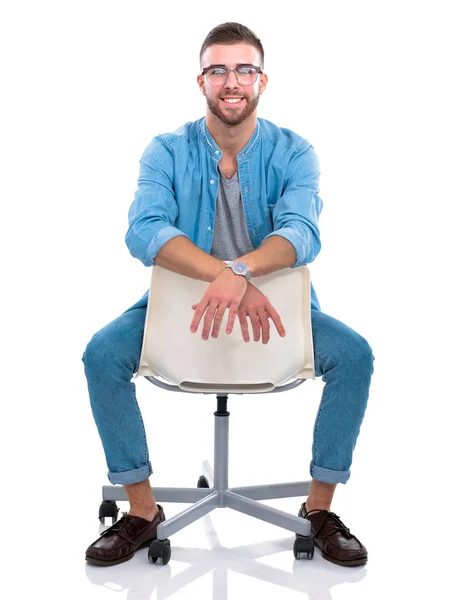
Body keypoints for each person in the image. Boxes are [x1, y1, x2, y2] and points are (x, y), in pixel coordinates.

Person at [82, 22, 374, 568]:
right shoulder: (166, 150)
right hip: (179, 308)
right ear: (201, 81)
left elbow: (301, 233)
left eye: (244, 69)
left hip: (279, 309)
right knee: (101, 355)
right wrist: (228, 278)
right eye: (218, 70)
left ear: (263, 80)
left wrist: (238, 272)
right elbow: (144, 230)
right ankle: (143, 512)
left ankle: (318, 509)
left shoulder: (295, 151)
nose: (231, 81)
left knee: (355, 356)